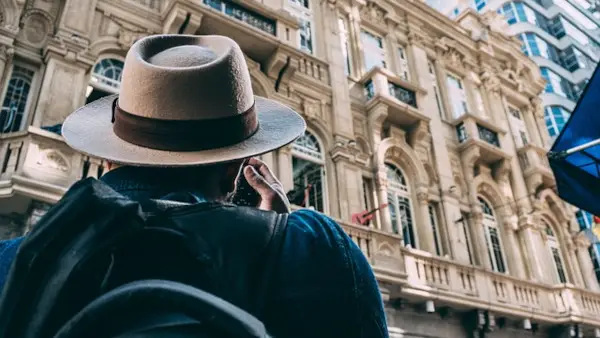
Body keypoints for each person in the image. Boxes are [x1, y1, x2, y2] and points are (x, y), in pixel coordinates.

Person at [0, 34, 388, 337]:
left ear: (108, 157)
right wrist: (283, 243)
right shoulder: (318, 249)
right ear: (236, 170)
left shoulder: (10, 263)